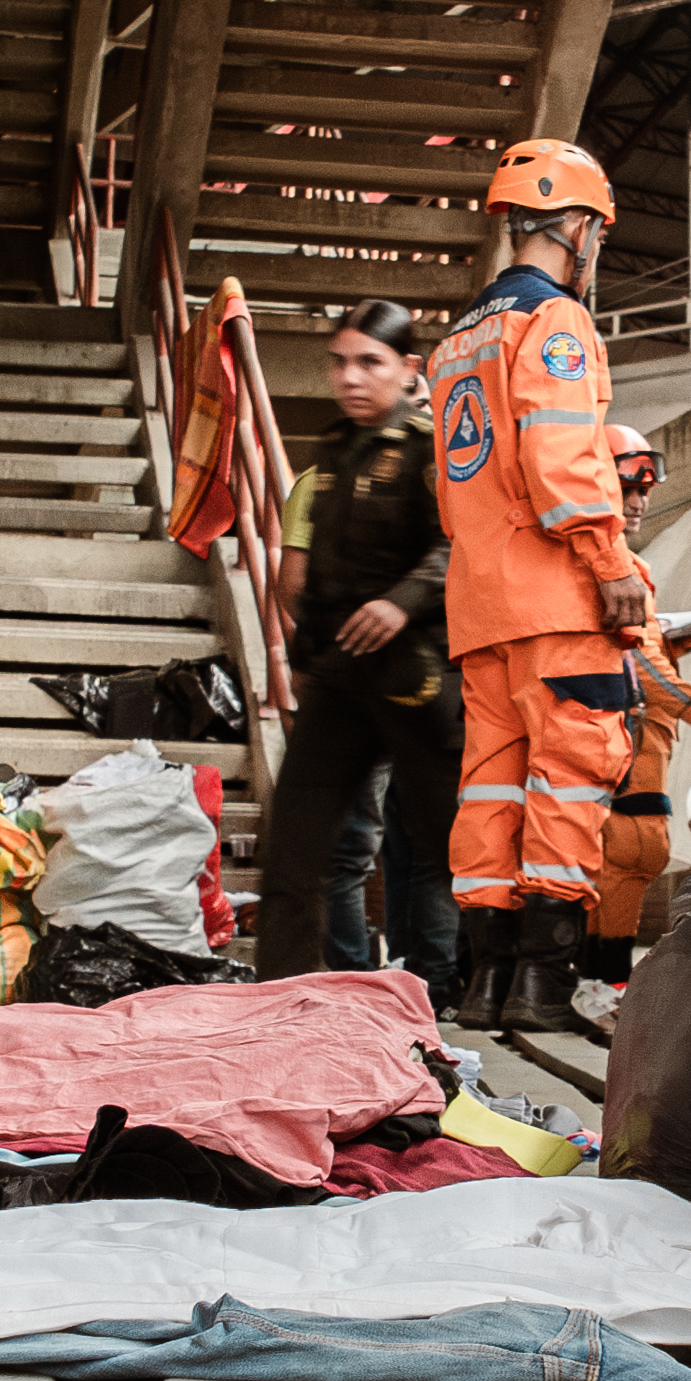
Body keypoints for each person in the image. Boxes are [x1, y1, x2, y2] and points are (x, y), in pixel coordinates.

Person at [426, 140, 652, 1032]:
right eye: (598, 231)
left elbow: (455, 485)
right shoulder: (554, 321)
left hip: (482, 606)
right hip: (555, 599)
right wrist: (610, 562)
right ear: (578, 226)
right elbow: (560, 455)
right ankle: (542, 988)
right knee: (569, 778)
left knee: (492, 790)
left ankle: (486, 984)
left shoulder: (458, 340)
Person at [257, 298, 462, 995]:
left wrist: (401, 602)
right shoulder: (334, 449)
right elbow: (316, 580)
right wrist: (302, 664)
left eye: (369, 363)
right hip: (340, 681)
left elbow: (460, 543)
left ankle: (483, 986)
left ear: (409, 369)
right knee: (294, 849)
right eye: (339, 362)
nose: (350, 378)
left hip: (418, 679)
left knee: (451, 846)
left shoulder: (434, 448)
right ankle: (279, 997)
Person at [587, 425, 691, 978]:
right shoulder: (609, 568)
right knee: (633, 848)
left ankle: (594, 979)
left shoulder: (622, 568)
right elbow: (641, 661)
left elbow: (635, 649)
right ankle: (606, 981)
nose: (638, 503)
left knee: (617, 853)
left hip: (628, 732)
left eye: (644, 492)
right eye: (626, 490)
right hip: (624, 735)